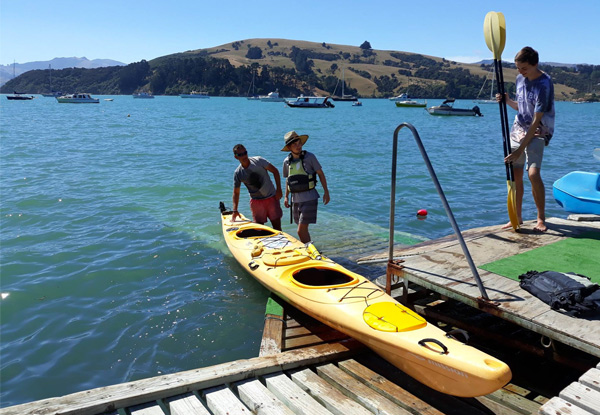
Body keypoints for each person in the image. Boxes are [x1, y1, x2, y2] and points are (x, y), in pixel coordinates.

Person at [499, 46, 555, 232]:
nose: (520, 72)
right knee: (516, 175)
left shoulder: (544, 84)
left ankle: (540, 219)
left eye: (524, 68)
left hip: (538, 131)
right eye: (518, 68)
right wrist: (507, 101)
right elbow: (522, 109)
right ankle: (517, 217)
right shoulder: (519, 79)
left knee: (533, 174)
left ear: (534, 64)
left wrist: (517, 150)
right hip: (518, 130)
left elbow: (535, 121)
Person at [281, 131, 330, 243]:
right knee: (303, 230)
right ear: (289, 147)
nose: (298, 146)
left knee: (300, 231)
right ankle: (310, 251)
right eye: (294, 144)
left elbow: (320, 174)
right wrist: (286, 197)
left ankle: (309, 252)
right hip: (295, 200)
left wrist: (326, 192)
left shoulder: (310, 157)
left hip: (310, 198)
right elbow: (288, 180)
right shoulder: (286, 161)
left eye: (299, 143)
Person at [231, 144, 283, 230]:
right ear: (236, 157)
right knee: (259, 229)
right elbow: (236, 192)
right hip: (256, 202)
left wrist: (279, 190)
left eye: (245, 153)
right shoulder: (238, 173)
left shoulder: (259, 161)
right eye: (240, 155)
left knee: (277, 228)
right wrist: (235, 210)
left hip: (271, 198)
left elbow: (275, 171)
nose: (244, 156)